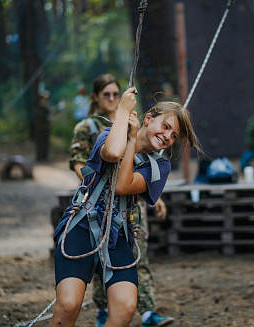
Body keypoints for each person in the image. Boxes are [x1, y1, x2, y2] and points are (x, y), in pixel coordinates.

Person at [50, 87, 201, 327]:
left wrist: (132, 140)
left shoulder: (159, 167)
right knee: (68, 305)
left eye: (174, 135)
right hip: (81, 226)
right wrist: (122, 112)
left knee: (126, 308)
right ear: (148, 119)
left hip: (116, 235)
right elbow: (111, 153)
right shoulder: (108, 135)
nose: (168, 136)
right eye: (165, 126)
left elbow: (122, 185)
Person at [68, 74, 174, 327]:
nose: (113, 99)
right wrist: (94, 184)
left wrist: (151, 194)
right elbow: (79, 162)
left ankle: (147, 311)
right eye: (107, 94)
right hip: (96, 202)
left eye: (116, 94)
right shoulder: (91, 128)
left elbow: (142, 171)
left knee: (139, 254)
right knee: (97, 257)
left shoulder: (132, 126)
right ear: (95, 97)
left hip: (130, 205)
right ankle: (103, 309)